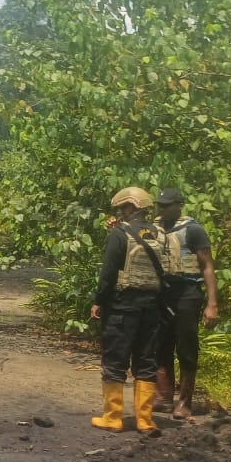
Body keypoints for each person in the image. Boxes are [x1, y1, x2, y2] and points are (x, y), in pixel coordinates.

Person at [89, 186, 164, 434]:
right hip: (151, 307)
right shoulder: (160, 234)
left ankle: (113, 417)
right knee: (146, 360)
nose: (121, 212)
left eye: (123, 208)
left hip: (122, 307)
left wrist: (99, 301)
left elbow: (109, 271)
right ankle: (145, 420)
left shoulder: (119, 233)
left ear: (131, 207)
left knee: (115, 359)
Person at [153, 188, 218, 419]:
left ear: (179, 205)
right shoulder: (155, 229)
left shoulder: (194, 230)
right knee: (161, 344)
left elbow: (207, 266)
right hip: (162, 293)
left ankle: (185, 401)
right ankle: (164, 397)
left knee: (186, 346)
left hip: (187, 293)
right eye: (160, 205)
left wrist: (212, 303)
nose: (162, 209)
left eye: (167, 205)